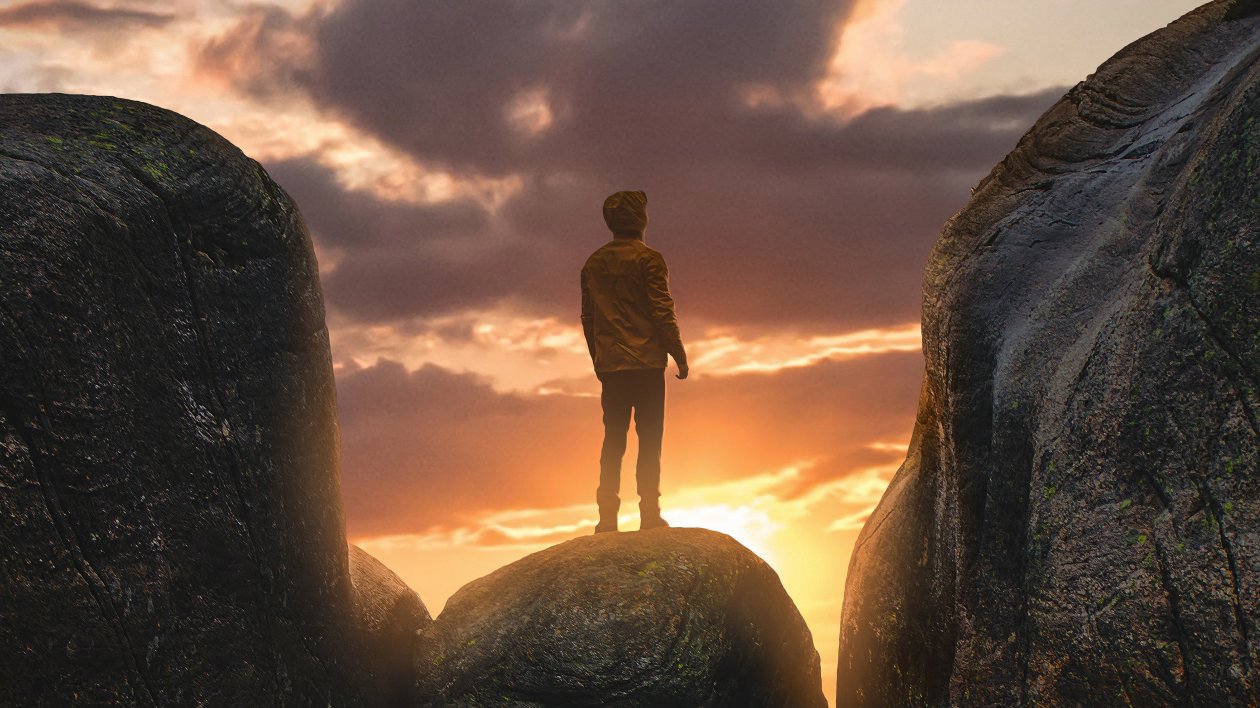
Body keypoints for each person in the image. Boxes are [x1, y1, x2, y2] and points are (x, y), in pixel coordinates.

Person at [581, 190, 688, 534]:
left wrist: (597, 359)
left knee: (613, 439)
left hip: (612, 366)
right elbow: (662, 310)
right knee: (650, 439)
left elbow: (588, 318)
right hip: (647, 364)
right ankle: (649, 515)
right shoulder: (649, 259)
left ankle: (607, 518)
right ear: (639, 218)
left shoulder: (594, 263)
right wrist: (678, 352)